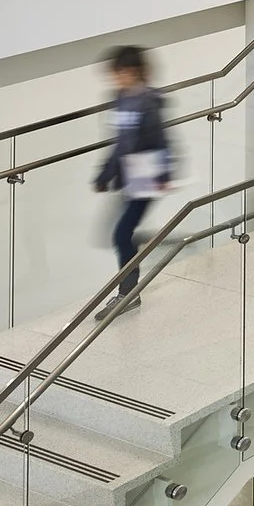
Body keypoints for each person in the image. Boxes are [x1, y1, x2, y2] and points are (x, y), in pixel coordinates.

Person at [93, 45, 170, 315]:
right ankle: (145, 246)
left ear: (134, 72)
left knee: (121, 233)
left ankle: (128, 294)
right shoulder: (121, 99)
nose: (117, 78)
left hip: (146, 174)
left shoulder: (148, 102)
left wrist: (164, 173)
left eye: (121, 72)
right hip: (128, 175)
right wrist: (105, 174)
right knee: (123, 233)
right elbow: (120, 142)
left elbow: (161, 139)